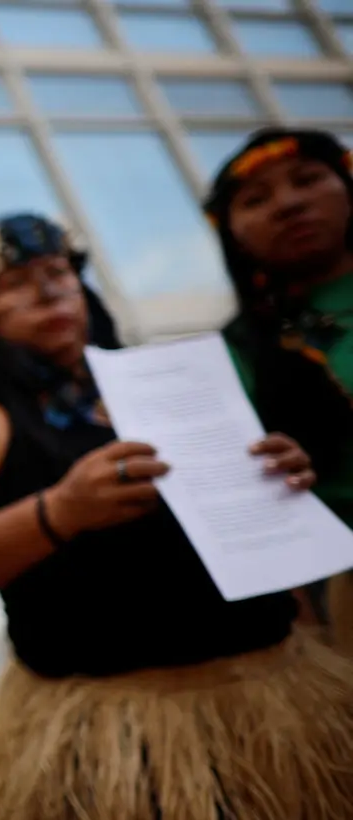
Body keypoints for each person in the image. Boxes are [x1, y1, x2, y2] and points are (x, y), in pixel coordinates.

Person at [0, 212, 353, 819]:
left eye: (59, 273)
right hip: (116, 725)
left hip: (271, 690)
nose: (48, 292)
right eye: (15, 284)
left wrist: (275, 479)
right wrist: (60, 511)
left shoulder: (159, 382)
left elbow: (246, 540)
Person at [205, 127, 353, 653]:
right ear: (232, 234)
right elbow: (259, 506)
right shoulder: (237, 354)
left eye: (308, 180)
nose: (289, 204)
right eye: (256, 200)